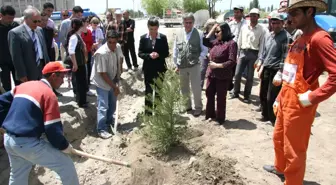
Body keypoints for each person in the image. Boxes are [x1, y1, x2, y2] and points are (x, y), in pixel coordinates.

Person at [263, 1, 336, 185]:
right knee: (278, 137)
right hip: (286, 97)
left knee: (294, 149)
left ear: (309, 11)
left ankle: (293, 182)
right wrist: (280, 97)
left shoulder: (320, 39)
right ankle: (280, 168)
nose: (290, 18)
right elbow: (292, 72)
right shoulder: (300, 38)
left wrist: (313, 97)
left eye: (294, 14)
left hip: (300, 104)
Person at [0, 62, 79, 185]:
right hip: (26, 143)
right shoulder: (48, 94)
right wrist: (64, 146)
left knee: (17, 175)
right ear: (53, 76)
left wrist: (6, 124)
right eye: (62, 77)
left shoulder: (25, 85)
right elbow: (52, 129)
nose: (63, 81)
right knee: (66, 165)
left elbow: (1, 102)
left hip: (9, 140)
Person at [256, 13, 291, 125]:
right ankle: (265, 115)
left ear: (282, 23)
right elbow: (265, 52)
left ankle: (273, 119)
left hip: (276, 70)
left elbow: (285, 56)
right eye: (273, 22)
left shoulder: (286, 37)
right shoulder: (269, 35)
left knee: (271, 96)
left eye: (277, 22)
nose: (275, 25)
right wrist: (261, 64)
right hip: (267, 67)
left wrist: (280, 72)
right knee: (262, 93)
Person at [173, 13, 208, 117]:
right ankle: (187, 106)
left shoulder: (200, 33)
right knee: (184, 88)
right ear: (183, 23)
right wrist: (176, 63)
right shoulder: (178, 33)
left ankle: (198, 108)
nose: (188, 25)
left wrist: (199, 59)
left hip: (194, 65)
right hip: (182, 65)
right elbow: (175, 49)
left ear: (193, 23)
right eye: (186, 22)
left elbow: (205, 50)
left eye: (190, 22)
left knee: (196, 88)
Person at [203, 23, 237, 124]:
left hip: (223, 75)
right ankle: (210, 114)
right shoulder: (216, 42)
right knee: (209, 93)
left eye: (218, 32)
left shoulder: (231, 44)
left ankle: (220, 118)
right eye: (216, 32)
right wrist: (212, 29)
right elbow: (205, 41)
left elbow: (232, 61)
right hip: (212, 74)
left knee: (221, 97)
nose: (216, 34)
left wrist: (217, 65)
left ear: (225, 31)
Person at [91, 31, 123, 139]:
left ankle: (109, 121)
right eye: (110, 42)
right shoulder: (101, 53)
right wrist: (114, 87)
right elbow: (102, 74)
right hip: (101, 81)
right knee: (103, 105)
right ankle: (101, 129)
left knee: (112, 104)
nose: (112, 45)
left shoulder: (117, 47)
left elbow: (120, 58)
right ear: (107, 40)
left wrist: (119, 73)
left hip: (112, 78)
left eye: (114, 42)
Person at [230, 8, 265, 103]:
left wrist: (259, 59)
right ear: (249, 16)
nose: (253, 17)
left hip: (253, 54)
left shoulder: (262, 29)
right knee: (237, 74)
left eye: (255, 15)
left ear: (258, 17)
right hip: (242, 52)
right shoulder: (244, 27)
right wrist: (236, 54)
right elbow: (239, 41)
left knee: (249, 77)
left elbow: (262, 45)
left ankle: (246, 96)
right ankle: (235, 92)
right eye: (251, 15)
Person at [8, 7, 50, 83]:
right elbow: (16, 56)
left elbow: (44, 50)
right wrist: (21, 74)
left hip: (42, 67)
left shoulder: (39, 30)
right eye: (34, 21)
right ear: (26, 19)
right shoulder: (15, 33)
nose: (37, 23)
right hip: (28, 70)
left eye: (39, 21)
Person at [138, 17, 169, 116]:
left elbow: (166, 52)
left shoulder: (163, 38)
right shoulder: (143, 38)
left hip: (160, 69)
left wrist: (159, 55)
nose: (153, 31)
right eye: (151, 29)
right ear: (148, 27)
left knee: (159, 91)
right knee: (148, 91)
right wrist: (149, 56)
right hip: (148, 69)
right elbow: (140, 53)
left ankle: (158, 113)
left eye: (155, 29)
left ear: (158, 28)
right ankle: (148, 113)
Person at [64, 18, 87, 108]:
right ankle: (81, 102)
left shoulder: (78, 36)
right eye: (84, 25)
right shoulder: (74, 37)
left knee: (82, 82)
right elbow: (71, 51)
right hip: (78, 64)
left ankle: (83, 100)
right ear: (80, 26)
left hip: (80, 63)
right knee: (79, 82)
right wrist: (75, 64)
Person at [0, 5, 20, 91]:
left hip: (15, 60)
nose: (10, 20)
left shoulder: (15, 26)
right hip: (2, 62)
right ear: (1, 15)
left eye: (12, 18)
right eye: (8, 18)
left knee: (19, 83)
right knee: (5, 85)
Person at [201, 18, 216, 89]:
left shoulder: (217, 35)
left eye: (214, 24)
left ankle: (213, 86)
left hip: (214, 56)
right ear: (207, 25)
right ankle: (200, 86)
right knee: (202, 70)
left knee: (214, 72)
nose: (212, 26)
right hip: (205, 55)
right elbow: (202, 45)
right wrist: (206, 53)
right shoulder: (203, 34)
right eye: (211, 24)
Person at [81, 17, 94, 87]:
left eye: (88, 21)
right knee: (84, 68)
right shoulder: (80, 32)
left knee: (89, 67)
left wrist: (91, 50)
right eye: (86, 21)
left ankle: (88, 81)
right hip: (82, 53)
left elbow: (91, 42)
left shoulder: (89, 31)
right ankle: (84, 82)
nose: (87, 23)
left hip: (88, 51)